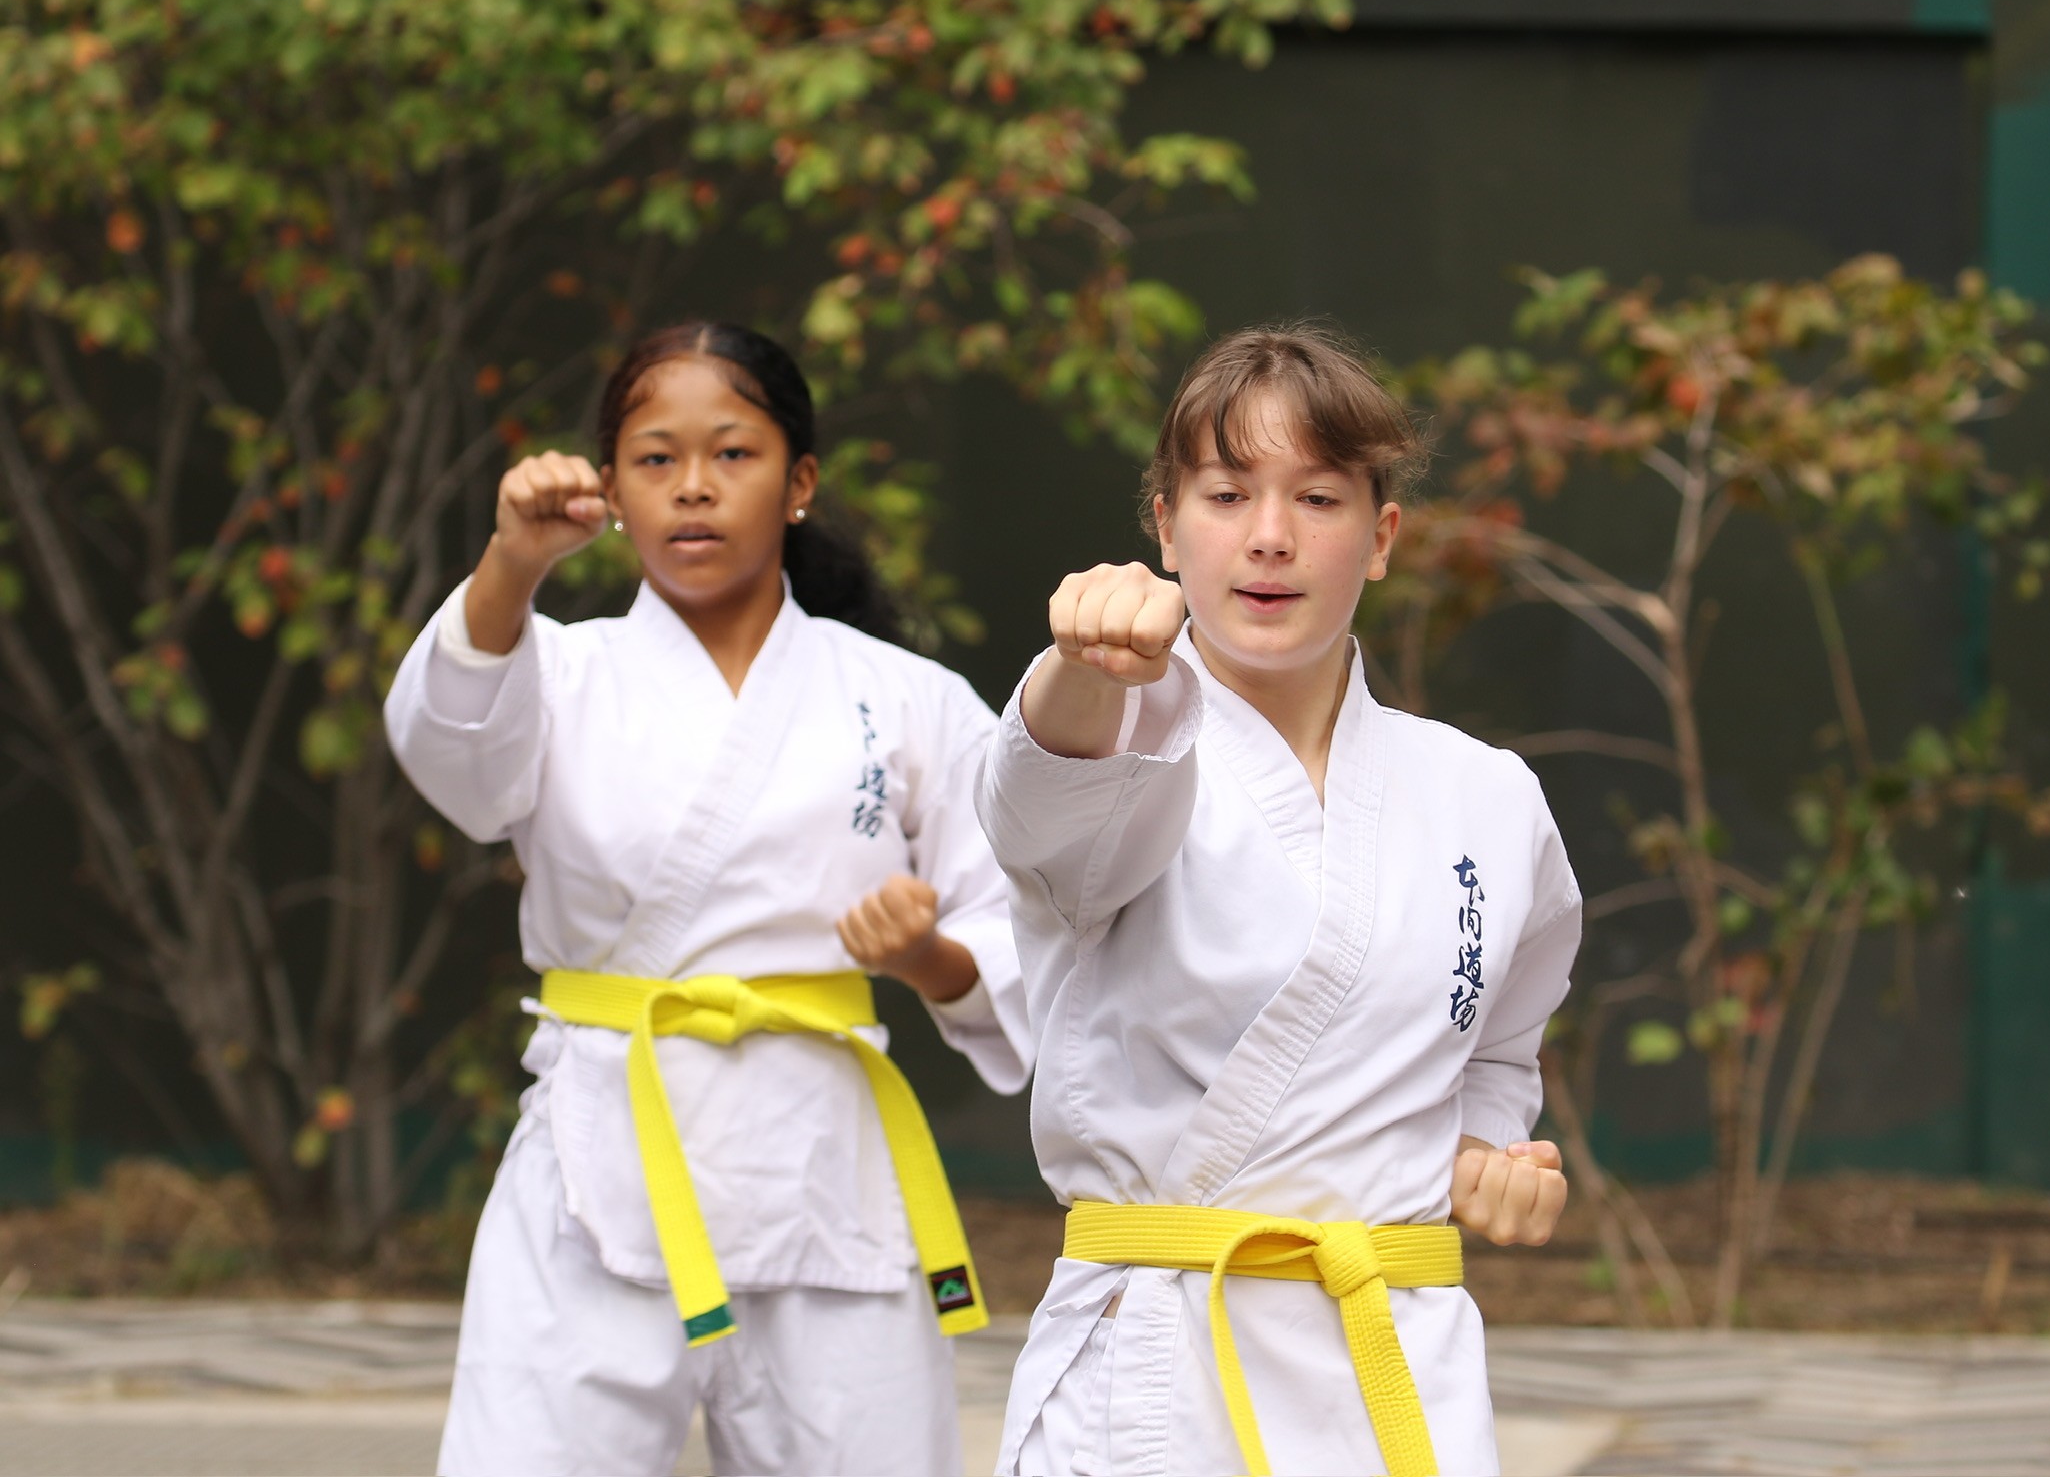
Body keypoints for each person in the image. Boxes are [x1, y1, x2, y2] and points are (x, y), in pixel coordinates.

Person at [383, 322, 1029, 1477]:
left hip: (824, 1160)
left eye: (733, 454)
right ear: (612, 492)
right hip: (602, 1154)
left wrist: (928, 956)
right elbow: (456, 762)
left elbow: (1012, 925)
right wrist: (512, 564)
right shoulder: (559, 669)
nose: (693, 488)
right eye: (654, 458)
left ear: (800, 483)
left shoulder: (906, 698)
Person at [975, 324, 1582, 1477]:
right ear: (1164, 523)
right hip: (1158, 1367)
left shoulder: (1487, 797)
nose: (1268, 537)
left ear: (1382, 534)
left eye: (1316, 497)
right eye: (1224, 493)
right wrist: (1076, 667)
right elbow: (1039, 815)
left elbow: (1499, 1048)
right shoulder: (1123, 735)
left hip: (1393, 1362)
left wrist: (1491, 1155)